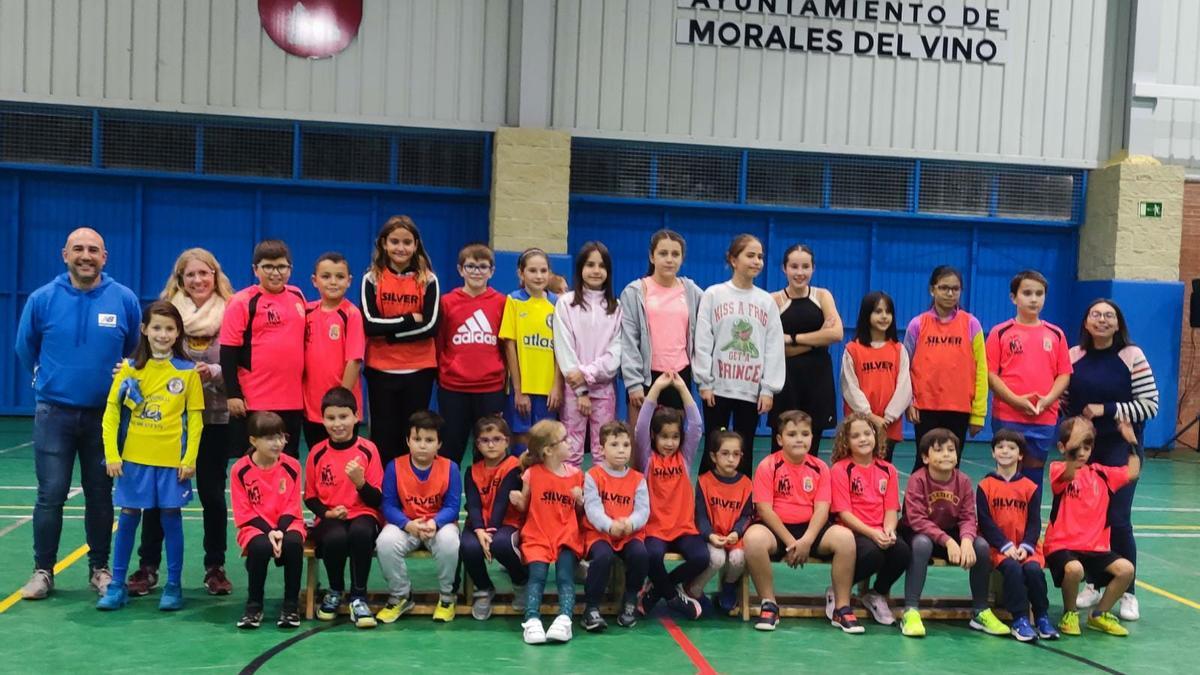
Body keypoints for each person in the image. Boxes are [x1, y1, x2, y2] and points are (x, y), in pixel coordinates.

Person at [16, 227, 141, 600]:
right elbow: (26, 347)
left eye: (93, 250)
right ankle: (43, 571)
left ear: (105, 257)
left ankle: (100, 569)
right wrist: (45, 379)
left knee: (100, 494)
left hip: (106, 417)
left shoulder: (124, 299)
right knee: (50, 494)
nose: (86, 256)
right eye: (78, 249)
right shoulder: (42, 299)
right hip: (54, 414)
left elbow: (133, 348)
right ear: (64, 255)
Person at [129, 248, 235, 598]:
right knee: (158, 497)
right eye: (190, 275)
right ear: (180, 279)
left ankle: (215, 567)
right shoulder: (167, 314)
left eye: (204, 273)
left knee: (211, 495)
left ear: (215, 275)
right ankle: (148, 567)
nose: (198, 280)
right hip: (170, 424)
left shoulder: (232, 311)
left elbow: (242, 363)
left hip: (215, 418)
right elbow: (148, 362)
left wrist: (215, 373)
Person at [97, 301, 204, 612]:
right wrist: (112, 453)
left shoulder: (188, 373)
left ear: (178, 333)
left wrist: (189, 458)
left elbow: (195, 420)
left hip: (172, 462)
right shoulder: (129, 369)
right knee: (128, 518)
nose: (162, 334)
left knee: (171, 520)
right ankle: (117, 586)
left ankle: (173, 586)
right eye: (156, 327)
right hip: (133, 460)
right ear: (144, 330)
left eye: (169, 328)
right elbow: (111, 413)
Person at [1066, 299, 1159, 621]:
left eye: (1109, 316)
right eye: (1096, 315)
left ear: (1118, 324)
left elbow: (1150, 404)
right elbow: (1064, 402)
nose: (1102, 320)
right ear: (1086, 322)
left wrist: (1108, 409)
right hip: (1085, 452)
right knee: (1091, 522)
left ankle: (1128, 592)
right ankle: (1094, 583)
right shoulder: (1073, 357)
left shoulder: (1132, 356)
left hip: (1122, 449)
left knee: (1118, 520)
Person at [743, 410, 861, 633]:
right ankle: (769, 604)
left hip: (810, 530)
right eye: (792, 434)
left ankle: (842, 608)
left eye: (805, 434)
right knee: (753, 539)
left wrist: (807, 540)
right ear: (779, 439)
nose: (799, 439)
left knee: (845, 539)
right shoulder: (768, 466)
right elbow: (764, 510)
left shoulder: (820, 467)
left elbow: (822, 509)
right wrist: (791, 542)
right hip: (776, 529)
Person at [899, 428, 1005, 638]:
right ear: (925, 457)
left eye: (951, 450)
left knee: (981, 547)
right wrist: (947, 541)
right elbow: (917, 519)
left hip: (951, 533)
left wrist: (966, 540)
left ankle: (980, 611)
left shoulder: (963, 481)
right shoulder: (917, 480)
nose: (946, 454)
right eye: (939, 450)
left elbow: (967, 516)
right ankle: (910, 610)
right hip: (921, 533)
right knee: (921, 544)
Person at [694, 234, 785, 475]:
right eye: (750, 255)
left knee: (744, 449)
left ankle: (742, 507)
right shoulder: (713, 295)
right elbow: (703, 339)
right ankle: (705, 505)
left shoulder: (766, 301)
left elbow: (773, 347)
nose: (757, 261)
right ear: (733, 260)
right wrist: (704, 381)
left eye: (760, 256)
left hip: (751, 391)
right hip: (717, 389)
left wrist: (768, 388)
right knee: (715, 448)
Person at [1044, 416, 1140, 637]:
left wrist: (1132, 442)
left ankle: (1099, 615)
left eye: (1086, 447)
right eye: (1077, 447)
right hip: (1062, 546)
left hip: (1095, 548)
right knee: (1074, 569)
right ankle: (1070, 613)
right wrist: (1074, 443)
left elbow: (1132, 472)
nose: (1082, 453)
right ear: (1063, 447)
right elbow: (1068, 473)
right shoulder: (1059, 469)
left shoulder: (1102, 474)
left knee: (1126, 570)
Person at [361, 216, 440, 464]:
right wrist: (408, 320)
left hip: (419, 370)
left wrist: (390, 335)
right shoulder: (372, 279)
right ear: (384, 243)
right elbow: (369, 325)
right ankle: (384, 496)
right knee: (383, 437)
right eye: (394, 241)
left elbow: (430, 326)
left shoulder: (428, 280)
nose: (401, 247)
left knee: (413, 438)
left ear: (416, 245)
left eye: (407, 242)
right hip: (381, 370)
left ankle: (410, 494)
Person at [303, 387, 383, 629]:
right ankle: (335, 590)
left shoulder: (368, 449)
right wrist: (327, 513)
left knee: (360, 532)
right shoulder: (317, 453)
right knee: (336, 536)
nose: (338, 424)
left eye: (343, 417)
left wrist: (360, 483)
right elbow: (311, 498)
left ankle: (359, 596)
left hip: (363, 513)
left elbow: (377, 499)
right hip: (330, 517)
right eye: (331, 418)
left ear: (356, 416)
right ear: (322, 419)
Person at [220, 239, 306, 458]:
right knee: (253, 463)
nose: (275, 273)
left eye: (281, 267)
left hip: (292, 401)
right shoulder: (241, 301)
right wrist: (233, 395)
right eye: (268, 266)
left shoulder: (298, 296)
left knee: (287, 461)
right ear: (255, 269)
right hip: (254, 401)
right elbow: (228, 351)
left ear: (290, 269)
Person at [986, 270, 1072, 486]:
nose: (1034, 299)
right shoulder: (1000, 332)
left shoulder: (1056, 334)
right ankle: (1003, 519)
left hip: (1043, 417)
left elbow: (1064, 374)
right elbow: (990, 375)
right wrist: (1016, 401)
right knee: (1007, 473)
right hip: (1008, 415)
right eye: (1027, 293)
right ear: (1013, 297)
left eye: (1039, 293)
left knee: (1033, 477)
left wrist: (1047, 400)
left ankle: (1031, 520)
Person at [375, 410, 461, 624]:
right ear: (408, 441)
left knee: (450, 542)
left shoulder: (451, 468)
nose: (422, 445)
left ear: (439, 444)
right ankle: (401, 595)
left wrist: (435, 522)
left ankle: (447, 597)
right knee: (384, 542)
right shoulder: (394, 467)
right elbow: (388, 505)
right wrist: (407, 524)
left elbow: (452, 506)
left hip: (438, 525)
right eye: (417, 439)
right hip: (407, 524)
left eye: (429, 440)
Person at [633, 373, 707, 619]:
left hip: (683, 528)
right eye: (664, 437)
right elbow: (641, 426)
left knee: (701, 558)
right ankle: (673, 598)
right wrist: (656, 388)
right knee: (651, 556)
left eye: (675, 437)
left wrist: (684, 388)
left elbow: (696, 425)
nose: (670, 442)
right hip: (654, 528)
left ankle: (656, 590)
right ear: (654, 437)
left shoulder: (684, 458)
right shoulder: (647, 459)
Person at [976, 429, 1059, 642]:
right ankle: (1020, 620)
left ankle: (1041, 617)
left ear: (1020, 455)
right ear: (993, 453)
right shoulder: (985, 486)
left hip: (1026, 547)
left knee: (1033, 570)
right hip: (999, 548)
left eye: (1011, 448)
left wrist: (1026, 546)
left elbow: (1033, 522)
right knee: (1012, 569)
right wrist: (1005, 546)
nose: (1005, 451)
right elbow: (985, 522)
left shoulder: (1030, 487)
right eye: (1000, 447)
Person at [830, 412, 911, 627]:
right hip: (853, 531)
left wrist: (889, 530)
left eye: (867, 433)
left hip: (880, 529)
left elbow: (891, 508)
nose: (863, 439)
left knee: (902, 551)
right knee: (873, 554)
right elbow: (844, 513)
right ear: (846, 441)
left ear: (876, 436)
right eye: (856, 436)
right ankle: (839, 589)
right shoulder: (840, 469)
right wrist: (873, 533)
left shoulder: (888, 470)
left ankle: (876, 594)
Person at [903, 265, 987, 469]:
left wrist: (978, 414)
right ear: (932, 290)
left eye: (955, 289)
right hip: (925, 407)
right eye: (944, 288)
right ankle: (914, 502)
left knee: (951, 465)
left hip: (959, 408)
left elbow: (981, 370)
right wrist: (909, 402)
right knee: (923, 463)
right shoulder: (917, 324)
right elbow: (904, 368)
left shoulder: (971, 324)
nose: (950, 293)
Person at [509, 419, 584, 644]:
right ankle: (531, 620)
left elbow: (580, 513)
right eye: (563, 440)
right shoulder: (532, 474)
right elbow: (525, 506)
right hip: (538, 533)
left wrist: (580, 500)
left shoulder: (576, 475)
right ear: (548, 450)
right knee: (537, 576)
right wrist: (518, 500)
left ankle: (565, 619)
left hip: (566, 534)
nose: (569, 443)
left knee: (564, 576)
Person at [230, 412, 307, 629]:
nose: (278, 443)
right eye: (270, 438)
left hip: (288, 523)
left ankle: (291, 606)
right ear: (253, 441)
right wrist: (268, 531)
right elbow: (243, 511)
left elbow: (293, 505)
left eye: (281, 437)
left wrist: (280, 530)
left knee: (293, 544)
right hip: (255, 526)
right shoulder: (240, 470)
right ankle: (254, 606)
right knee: (260, 547)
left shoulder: (292, 465)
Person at [619, 229, 704, 418]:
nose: (669, 259)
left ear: (682, 258)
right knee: (640, 444)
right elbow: (628, 341)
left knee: (674, 444)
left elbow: (709, 326)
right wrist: (634, 383)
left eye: (675, 254)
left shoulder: (692, 292)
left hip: (679, 377)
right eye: (663, 253)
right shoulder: (635, 292)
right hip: (645, 379)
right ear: (651, 256)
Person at [436, 243, 508, 466]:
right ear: (460, 270)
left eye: (483, 266)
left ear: (492, 271)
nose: (477, 271)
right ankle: (448, 497)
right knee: (451, 446)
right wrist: (445, 370)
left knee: (488, 450)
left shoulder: (502, 303)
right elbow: (439, 342)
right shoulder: (447, 302)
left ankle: (482, 500)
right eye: (471, 266)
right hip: (453, 387)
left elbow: (506, 345)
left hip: (490, 388)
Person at [554, 241, 622, 467]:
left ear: (608, 271)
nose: (595, 270)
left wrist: (588, 373)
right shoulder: (565, 303)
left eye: (601, 266)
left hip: (604, 390)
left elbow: (616, 351)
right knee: (570, 450)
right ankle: (569, 500)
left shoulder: (616, 307)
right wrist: (581, 388)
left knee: (603, 451)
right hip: (574, 390)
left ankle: (598, 500)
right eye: (590, 264)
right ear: (580, 268)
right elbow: (564, 347)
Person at [771, 244, 842, 456]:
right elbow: (774, 349)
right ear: (784, 268)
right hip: (786, 381)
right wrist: (818, 339)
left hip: (817, 381)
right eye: (794, 266)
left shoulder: (822, 296)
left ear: (813, 268)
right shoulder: (774, 300)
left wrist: (792, 339)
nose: (800, 273)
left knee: (812, 444)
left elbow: (836, 334)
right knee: (782, 443)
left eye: (805, 266)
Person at [581, 420, 649, 632]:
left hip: (628, 533)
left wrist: (630, 523)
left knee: (640, 554)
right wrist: (610, 526)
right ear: (601, 449)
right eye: (614, 445)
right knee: (603, 557)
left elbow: (643, 510)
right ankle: (591, 608)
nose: (621, 450)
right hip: (600, 532)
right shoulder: (593, 475)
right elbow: (592, 508)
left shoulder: (638, 478)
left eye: (626, 445)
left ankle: (630, 601)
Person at [461, 416, 528, 620]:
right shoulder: (472, 471)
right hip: (479, 524)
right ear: (477, 444)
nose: (491, 444)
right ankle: (484, 588)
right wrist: (480, 530)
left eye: (497, 439)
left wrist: (489, 533)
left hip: (507, 522)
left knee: (501, 544)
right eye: (485, 440)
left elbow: (501, 502)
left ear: (507, 441)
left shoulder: (514, 467)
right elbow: (472, 504)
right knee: (468, 546)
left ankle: (521, 583)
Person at [500, 248, 561, 454]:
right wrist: (518, 390)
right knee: (521, 438)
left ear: (550, 273)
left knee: (546, 440)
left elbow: (561, 350)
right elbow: (510, 346)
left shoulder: (557, 304)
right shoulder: (514, 301)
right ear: (521, 273)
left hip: (547, 391)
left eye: (543, 270)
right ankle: (520, 482)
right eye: (532, 270)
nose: (538, 275)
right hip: (522, 389)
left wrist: (556, 386)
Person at [302, 252, 365, 450]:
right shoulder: (306, 312)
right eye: (326, 276)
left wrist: (341, 401)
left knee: (344, 458)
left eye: (340, 277)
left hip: (340, 408)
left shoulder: (351, 314)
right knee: (317, 456)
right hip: (311, 407)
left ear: (349, 281)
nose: (333, 282)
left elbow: (354, 361)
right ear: (314, 280)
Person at [841, 291, 911, 463]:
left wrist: (888, 418)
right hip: (860, 422)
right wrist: (869, 416)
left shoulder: (899, 350)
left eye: (888, 312)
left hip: (888, 425)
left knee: (883, 469)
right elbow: (850, 387)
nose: (884, 316)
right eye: (878, 311)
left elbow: (904, 387)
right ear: (867, 314)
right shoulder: (852, 349)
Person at [689, 429, 752, 617]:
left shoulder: (747, 484)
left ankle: (729, 586)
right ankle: (694, 590)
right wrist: (709, 535)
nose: (731, 459)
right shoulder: (704, 481)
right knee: (717, 559)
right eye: (725, 454)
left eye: (736, 454)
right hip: (711, 536)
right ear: (713, 456)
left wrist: (737, 533)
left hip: (733, 537)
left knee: (738, 558)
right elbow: (700, 515)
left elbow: (747, 515)